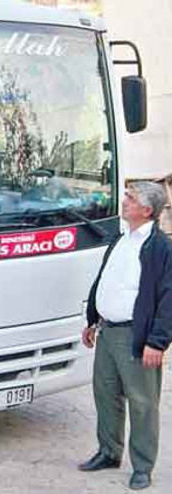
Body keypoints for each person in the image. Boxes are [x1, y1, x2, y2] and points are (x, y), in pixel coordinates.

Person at [79, 181, 172, 491]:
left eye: (131, 199)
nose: (124, 201)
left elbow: (168, 299)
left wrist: (157, 342)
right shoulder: (120, 239)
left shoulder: (160, 248)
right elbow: (104, 281)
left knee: (143, 403)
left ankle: (142, 467)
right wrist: (92, 319)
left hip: (135, 336)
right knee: (105, 395)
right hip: (107, 332)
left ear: (147, 210)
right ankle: (109, 452)